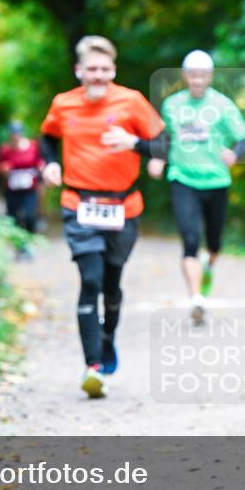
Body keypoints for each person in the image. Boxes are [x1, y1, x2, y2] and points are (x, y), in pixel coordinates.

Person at [39, 35, 168, 399]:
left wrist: (135, 145)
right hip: (78, 204)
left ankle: (107, 339)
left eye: (105, 69)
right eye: (91, 69)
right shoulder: (63, 104)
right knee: (90, 280)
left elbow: (162, 142)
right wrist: (49, 163)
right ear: (79, 70)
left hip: (123, 207)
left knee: (111, 284)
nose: (98, 76)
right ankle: (92, 365)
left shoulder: (131, 102)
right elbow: (47, 137)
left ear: (113, 70)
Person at [161, 50, 245, 325]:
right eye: (192, 74)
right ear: (185, 76)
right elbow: (163, 137)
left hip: (216, 180)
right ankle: (196, 298)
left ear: (210, 76)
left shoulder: (222, 105)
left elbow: (243, 137)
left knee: (214, 244)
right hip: (182, 178)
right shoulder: (172, 105)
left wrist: (235, 154)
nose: (197, 79)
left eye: (202, 74)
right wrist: (157, 159)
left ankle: (207, 269)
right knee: (189, 238)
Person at [0, 121, 44, 246]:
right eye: (13, 134)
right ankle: (20, 246)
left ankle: (29, 239)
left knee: (29, 216)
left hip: (30, 189)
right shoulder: (5, 150)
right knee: (13, 217)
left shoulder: (33, 147)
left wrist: (42, 168)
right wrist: (3, 169)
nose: (15, 137)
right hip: (12, 190)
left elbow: (41, 162)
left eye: (17, 134)